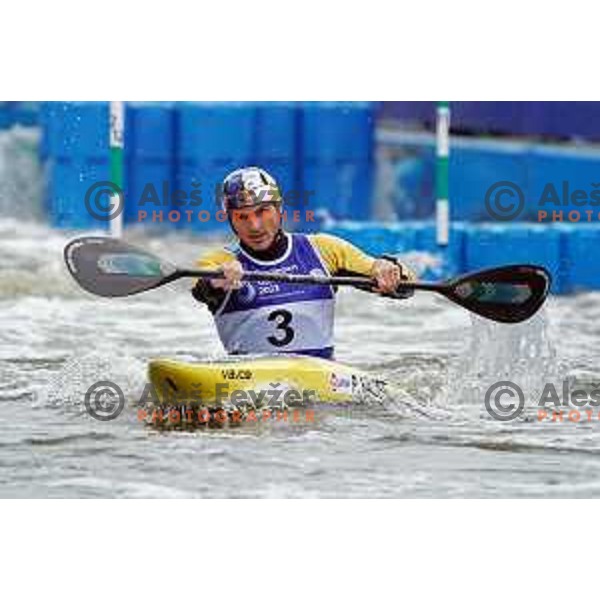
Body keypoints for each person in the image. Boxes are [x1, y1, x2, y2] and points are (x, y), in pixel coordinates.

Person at [192, 167, 416, 359]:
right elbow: (202, 287)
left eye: (262, 212)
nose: (255, 226)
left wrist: (387, 269)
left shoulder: (324, 249)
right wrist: (218, 280)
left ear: (279, 208)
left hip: (318, 381)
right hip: (248, 383)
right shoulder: (218, 261)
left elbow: (406, 282)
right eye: (242, 216)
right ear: (230, 220)